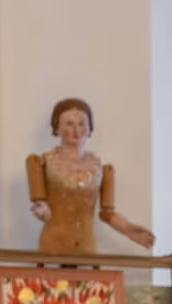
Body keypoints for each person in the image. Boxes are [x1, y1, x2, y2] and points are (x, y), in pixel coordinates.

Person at [25, 98, 155, 254]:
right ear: (57, 128)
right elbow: (39, 204)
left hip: (87, 246)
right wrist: (40, 209)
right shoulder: (42, 163)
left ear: (89, 128)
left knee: (88, 279)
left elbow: (107, 213)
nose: (76, 130)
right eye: (69, 124)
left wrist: (128, 229)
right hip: (53, 244)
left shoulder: (100, 168)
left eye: (81, 124)